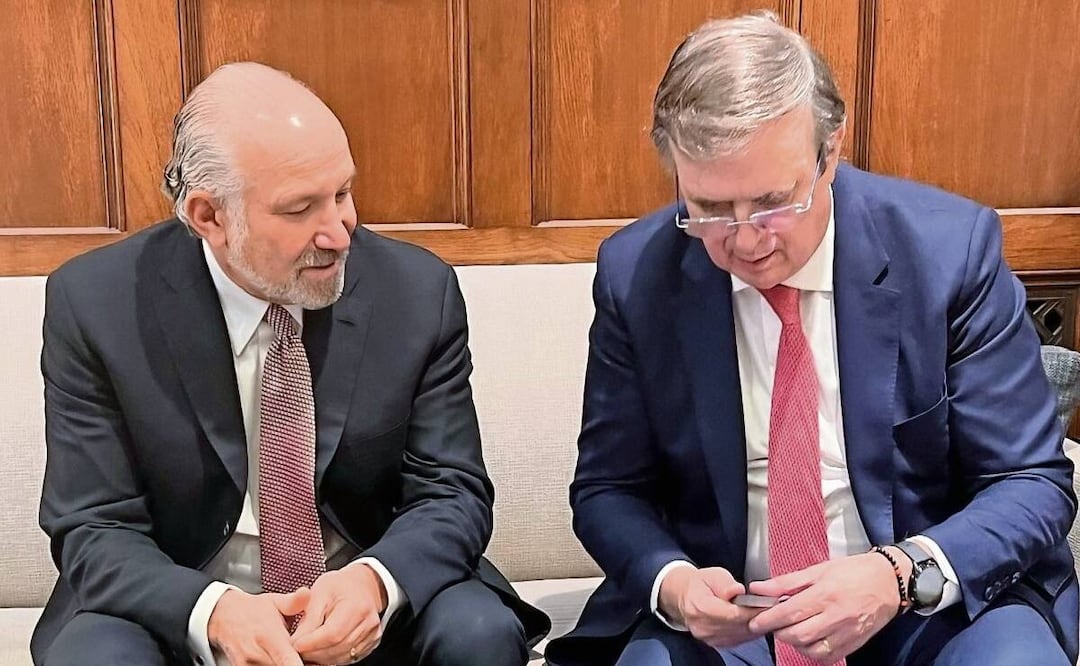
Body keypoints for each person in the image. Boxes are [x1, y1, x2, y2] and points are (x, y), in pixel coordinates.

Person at [545, 12, 1077, 666]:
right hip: (737, 623)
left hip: (929, 606)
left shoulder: (948, 252)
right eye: (710, 209)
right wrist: (676, 584)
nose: (745, 240)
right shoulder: (637, 275)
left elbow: (1031, 481)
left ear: (831, 152)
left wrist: (898, 574)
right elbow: (607, 489)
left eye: (773, 203)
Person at [31, 61, 548, 666]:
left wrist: (375, 583)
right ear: (209, 216)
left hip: (364, 603)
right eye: (301, 209)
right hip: (182, 605)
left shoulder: (415, 291)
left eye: (343, 194)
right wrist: (213, 611)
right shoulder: (96, 304)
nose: (340, 233)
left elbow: (452, 492)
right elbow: (92, 525)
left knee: (478, 631)